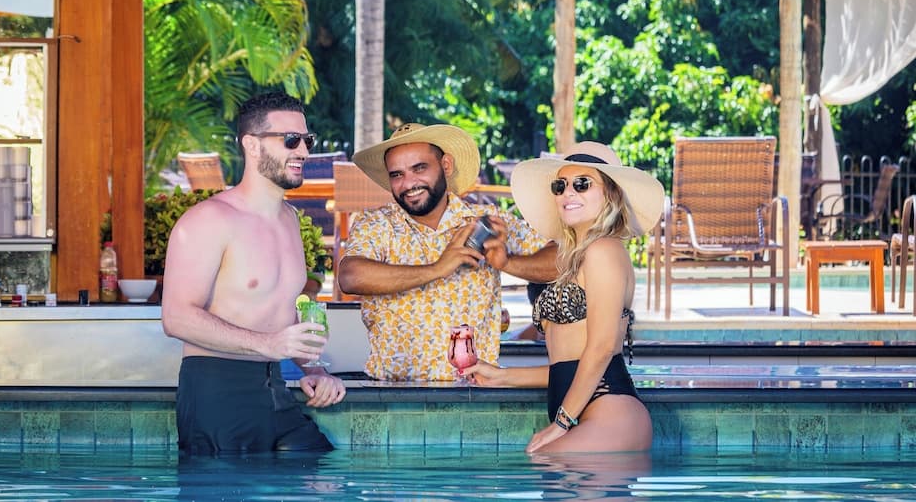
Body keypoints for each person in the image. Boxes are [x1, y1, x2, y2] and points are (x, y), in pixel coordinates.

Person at [161, 91, 346, 455]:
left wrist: (314, 370)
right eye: (290, 140)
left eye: (306, 141)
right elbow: (176, 318)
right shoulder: (209, 220)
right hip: (217, 391)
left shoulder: (290, 219)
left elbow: (280, 312)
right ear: (252, 145)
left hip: (274, 387)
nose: (303, 152)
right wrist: (268, 345)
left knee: (320, 471)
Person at [463, 141, 665, 453]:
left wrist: (561, 422)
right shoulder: (574, 258)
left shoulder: (604, 250)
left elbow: (602, 349)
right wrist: (502, 377)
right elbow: (567, 365)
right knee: (544, 462)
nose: (568, 193)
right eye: (561, 186)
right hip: (585, 408)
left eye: (582, 184)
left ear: (610, 194)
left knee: (545, 458)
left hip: (610, 410)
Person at [338, 123, 558, 381]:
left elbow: (563, 260)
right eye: (397, 174)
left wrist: (508, 263)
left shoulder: (485, 221)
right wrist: (438, 268)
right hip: (393, 393)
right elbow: (350, 277)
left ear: (446, 165)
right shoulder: (376, 224)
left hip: (474, 390)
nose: (409, 183)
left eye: (419, 168)